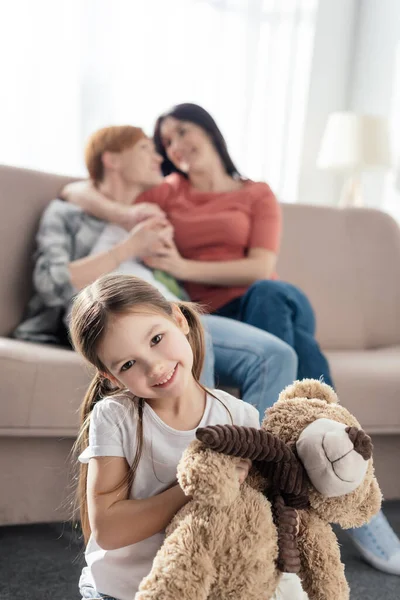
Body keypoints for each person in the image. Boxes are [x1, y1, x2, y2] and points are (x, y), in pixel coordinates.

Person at [64, 110, 400, 577]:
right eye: (165, 143)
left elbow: (261, 267)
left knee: (273, 298)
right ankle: (320, 477)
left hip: (255, 305)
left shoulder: (256, 193)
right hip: (205, 316)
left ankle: (271, 481)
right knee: (290, 348)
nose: (175, 146)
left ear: (209, 130)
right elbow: (74, 189)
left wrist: (183, 263)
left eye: (182, 131)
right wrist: (129, 220)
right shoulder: (167, 192)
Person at [14, 125, 297, 417]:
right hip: (120, 314)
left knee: (276, 356)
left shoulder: (153, 208)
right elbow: (50, 283)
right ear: (112, 160)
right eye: (145, 148)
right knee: (187, 342)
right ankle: (201, 455)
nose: (160, 158)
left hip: (171, 309)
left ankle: (258, 458)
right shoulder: (68, 214)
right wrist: (130, 245)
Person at [70, 273, 305, 600]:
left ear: (178, 319)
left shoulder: (239, 416)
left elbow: (252, 510)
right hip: (119, 591)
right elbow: (108, 530)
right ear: (111, 377)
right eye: (128, 364)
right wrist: (194, 487)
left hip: (200, 589)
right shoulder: (115, 416)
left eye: (155, 339)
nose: (154, 368)